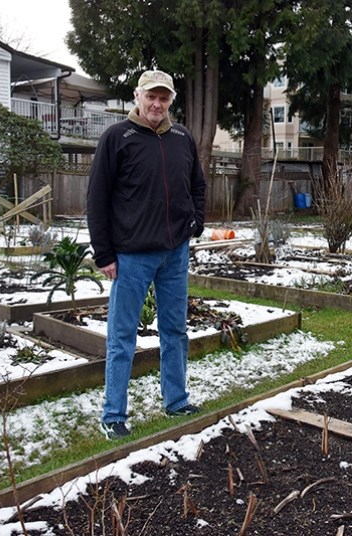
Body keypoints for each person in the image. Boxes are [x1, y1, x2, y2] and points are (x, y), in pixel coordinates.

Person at [87, 69, 206, 440]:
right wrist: (104, 253)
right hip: (131, 257)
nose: (157, 104)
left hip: (175, 254)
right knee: (122, 336)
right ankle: (113, 414)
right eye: (150, 97)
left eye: (164, 98)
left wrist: (196, 223)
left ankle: (176, 400)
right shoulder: (117, 138)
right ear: (137, 97)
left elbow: (197, 186)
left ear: (171, 100)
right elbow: (96, 199)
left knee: (175, 330)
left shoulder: (183, 138)